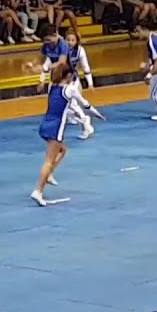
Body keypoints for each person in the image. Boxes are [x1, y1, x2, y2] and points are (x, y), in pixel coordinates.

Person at [33, 62, 104, 206]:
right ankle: (38, 191)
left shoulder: (51, 86)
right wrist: (98, 115)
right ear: (69, 75)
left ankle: (49, 174)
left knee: (62, 150)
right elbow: (85, 105)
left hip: (45, 123)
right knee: (49, 160)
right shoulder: (70, 90)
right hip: (56, 126)